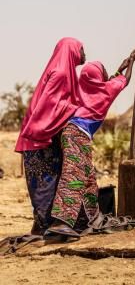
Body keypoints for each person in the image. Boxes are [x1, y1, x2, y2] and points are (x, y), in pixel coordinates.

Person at [45, 52, 135, 238]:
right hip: (78, 135)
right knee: (74, 175)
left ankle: (93, 218)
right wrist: (132, 63)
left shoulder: (80, 87)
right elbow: (123, 81)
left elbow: (110, 79)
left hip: (69, 132)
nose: (105, 73)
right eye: (103, 70)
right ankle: (62, 222)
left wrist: (120, 67)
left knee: (88, 178)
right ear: (99, 76)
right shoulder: (106, 90)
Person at [15, 37, 86, 235]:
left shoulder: (64, 73)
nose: (84, 54)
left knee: (46, 185)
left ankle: (41, 226)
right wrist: (74, 110)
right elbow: (47, 108)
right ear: (71, 51)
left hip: (42, 140)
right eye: (82, 49)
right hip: (40, 141)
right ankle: (46, 228)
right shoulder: (62, 73)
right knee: (45, 186)